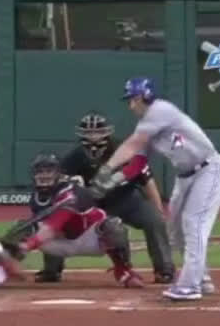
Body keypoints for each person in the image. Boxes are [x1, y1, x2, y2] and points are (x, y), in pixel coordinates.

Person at [90, 77, 220, 301]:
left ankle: (190, 285)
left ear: (144, 97)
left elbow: (132, 144)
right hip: (185, 177)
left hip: (209, 170)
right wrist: (113, 180)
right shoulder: (148, 124)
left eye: (133, 99)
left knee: (194, 223)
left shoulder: (160, 110)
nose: (131, 105)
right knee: (176, 228)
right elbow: (137, 163)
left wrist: (107, 168)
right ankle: (201, 278)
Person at [32, 111, 175, 284]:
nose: (93, 136)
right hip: (93, 203)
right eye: (89, 132)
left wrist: (158, 209)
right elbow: (61, 185)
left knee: (154, 220)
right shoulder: (75, 156)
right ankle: (52, 270)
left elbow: (147, 180)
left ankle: (164, 269)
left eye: (98, 132)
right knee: (57, 218)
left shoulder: (125, 152)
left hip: (127, 199)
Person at [7, 152, 145, 288]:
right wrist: (9, 247)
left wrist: (27, 246)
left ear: (58, 174)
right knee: (21, 229)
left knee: (114, 227)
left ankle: (123, 271)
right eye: (40, 171)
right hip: (60, 241)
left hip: (89, 239)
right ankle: (3, 270)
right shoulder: (37, 198)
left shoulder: (70, 193)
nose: (44, 175)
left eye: (49, 171)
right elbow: (47, 229)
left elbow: (53, 227)